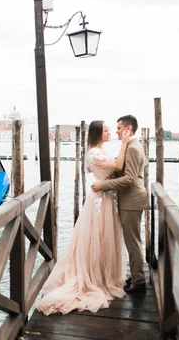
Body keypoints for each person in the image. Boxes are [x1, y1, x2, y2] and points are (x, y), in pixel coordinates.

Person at [36, 121, 130, 315]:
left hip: (106, 196)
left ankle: (106, 273)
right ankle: (96, 277)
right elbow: (118, 165)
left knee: (105, 237)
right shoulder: (94, 152)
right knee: (98, 236)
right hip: (100, 199)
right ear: (97, 133)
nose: (109, 131)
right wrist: (125, 144)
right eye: (106, 130)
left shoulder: (99, 151)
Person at [91, 115, 149, 293]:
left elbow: (130, 178)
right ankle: (136, 275)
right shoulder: (133, 145)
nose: (115, 131)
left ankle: (139, 282)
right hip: (130, 200)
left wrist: (103, 185)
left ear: (128, 129)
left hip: (132, 200)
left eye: (118, 128)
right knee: (132, 241)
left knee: (132, 242)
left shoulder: (132, 148)